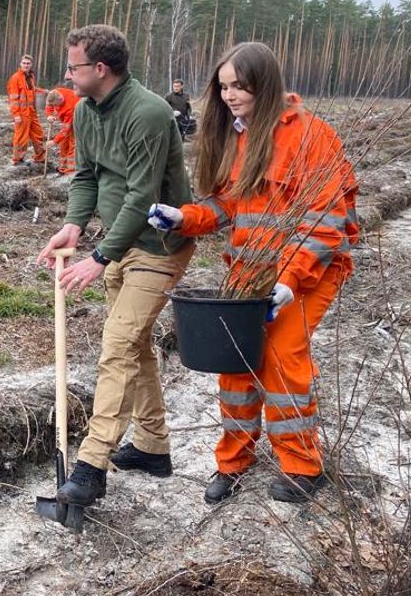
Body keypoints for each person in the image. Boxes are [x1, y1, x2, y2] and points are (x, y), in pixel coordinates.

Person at [147, 42, 357, 505]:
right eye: (223, 87)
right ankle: (232, 461)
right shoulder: (238, 136)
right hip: (248, 272)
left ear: (265, 84)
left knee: (280, 360)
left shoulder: (310, 135)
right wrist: (184, 217)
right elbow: (228, 204)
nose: (229, 95)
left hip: (307, 273)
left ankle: (303, 466)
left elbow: (324, 219)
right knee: (235, 364)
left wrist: (289, 279)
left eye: (239, 86)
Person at [36, 25, 194, 506]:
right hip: (121, 242)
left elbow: (142, 196)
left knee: (118, 345)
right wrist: (75, 226)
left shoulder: (146, 112)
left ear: (100, 69)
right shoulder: (85, 111)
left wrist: (99, 258)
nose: (67, 74)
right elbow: (87, 176)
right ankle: (151, 446)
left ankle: (91, 465)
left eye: (73, 66)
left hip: (160, 245)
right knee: (135, 346)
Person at [6, 54, 46, 166]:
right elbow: (13, 98)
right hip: (22, 114)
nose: (26, 65)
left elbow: (32, 90)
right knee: (21, 138)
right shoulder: (15, 78)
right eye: (24, 63)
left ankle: (40, 157)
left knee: (38, 134)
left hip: (32, 112)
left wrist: (44, 91)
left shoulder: (30, 76)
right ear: (20, 64)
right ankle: (18, 159)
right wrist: (16, 114)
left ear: (31, 64)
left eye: (28, 63)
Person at [44, 86, 79, 175]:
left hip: (77, 120)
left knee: (73, 144)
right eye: (54, 105)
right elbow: (49, 105)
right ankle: (62, 168)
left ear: (61, 101)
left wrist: (54, 141)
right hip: (66, 120)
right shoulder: (54, 93)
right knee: (64, 143)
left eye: (56, 105)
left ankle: (70, 171)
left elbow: (65, 129)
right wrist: (49, 115)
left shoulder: (70, 106)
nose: (55, 107)